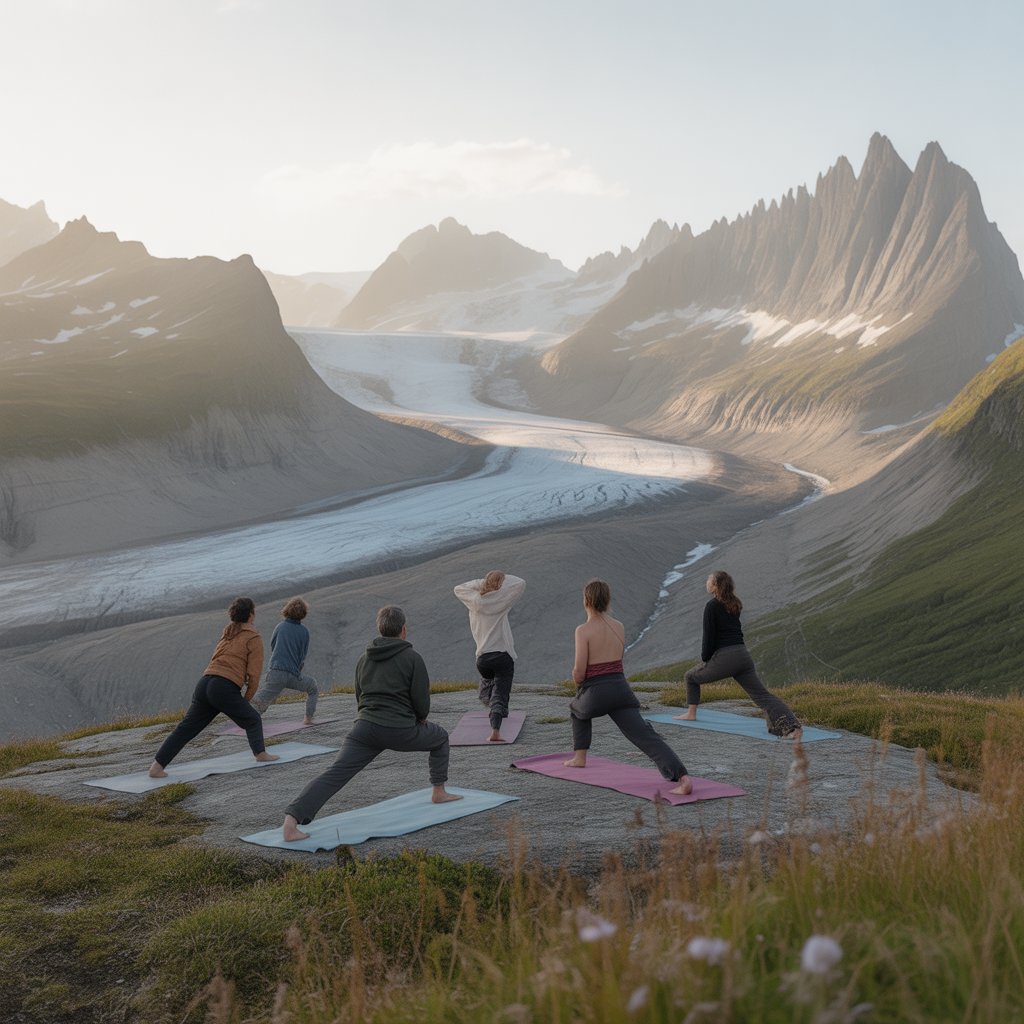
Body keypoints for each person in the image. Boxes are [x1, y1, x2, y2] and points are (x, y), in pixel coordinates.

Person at [282, 605, 461, 841]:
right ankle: (438, 791)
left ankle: (290, 822)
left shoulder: (363, 658)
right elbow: (421, 700)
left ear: (380, 629)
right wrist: (420, 719)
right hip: (400, 730)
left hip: (364, 729)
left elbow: (360, 695)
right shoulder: (412, 658)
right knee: (440, 738)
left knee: (335, 773)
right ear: (403, 630)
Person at [563, 579, 692, 795]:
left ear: (586, 600)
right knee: (643, 734)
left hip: (595, 692)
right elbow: (617, 660)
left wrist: (578, 681)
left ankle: (579, 758)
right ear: (607, 600)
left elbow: (580, 670)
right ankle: (682, 777)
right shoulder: (619, 626)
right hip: (621, 689)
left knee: (577, 710)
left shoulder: (582, 630)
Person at [148, 597, 279, 777]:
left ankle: (156, 767)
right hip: (223, 687)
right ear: (251, 614)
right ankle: (261, 754)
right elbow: (254, 674)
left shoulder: (227, 632)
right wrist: (245, 700)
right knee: (253, 719)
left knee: (185, 729)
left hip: (205, 683)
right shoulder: (253, 637)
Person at [675, 570, 802, 739]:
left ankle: (691, 714)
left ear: (715, 585)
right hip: (743, 655)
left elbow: (709, 636)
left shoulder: (712, 606)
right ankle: (792, 727)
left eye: (709, 580)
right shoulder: (734, 603)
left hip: (727, 657)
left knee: (690, 676)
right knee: (762, 696)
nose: (707, 582)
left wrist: (706, 659)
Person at [453, 570, 526, 742]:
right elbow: (520, 582)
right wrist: (499, 583)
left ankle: (490, 699)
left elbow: (458, 588)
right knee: (501, 691)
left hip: (483, 658)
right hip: (502, 656)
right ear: (501, 585)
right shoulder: (502, 600)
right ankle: (495, 729)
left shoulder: (474, 601)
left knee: (490, 682)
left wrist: (483, 582)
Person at [252, 597, 320, 724]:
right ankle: (308, 718)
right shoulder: (305, 632)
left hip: (276, 672)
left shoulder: (280, 627)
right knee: (312, 688)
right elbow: (302, 655)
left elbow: (273, 645)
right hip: (293, 675)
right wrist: (297, 670)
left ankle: (248, 720)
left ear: (287, 610)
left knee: (262, 700)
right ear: (303, 614)